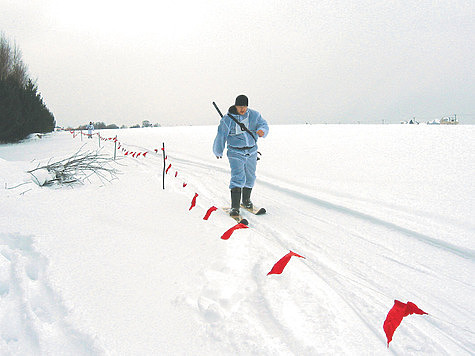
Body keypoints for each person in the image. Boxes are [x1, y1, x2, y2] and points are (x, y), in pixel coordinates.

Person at [213, 95, 269, 217]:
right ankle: (235, 207)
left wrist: (262, 131)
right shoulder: (228, 119)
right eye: (240, 106)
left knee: (250, 176)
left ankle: (246, 201)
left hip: (252, 151)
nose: (242, 109)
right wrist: (218, 150)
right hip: (235, 152)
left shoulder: (254, 115)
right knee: (238, 177)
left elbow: (264, 124)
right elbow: (221, 135)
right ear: (235, 105)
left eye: (244, 106)